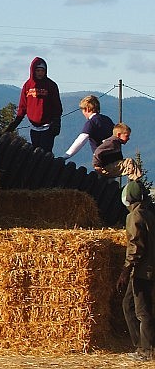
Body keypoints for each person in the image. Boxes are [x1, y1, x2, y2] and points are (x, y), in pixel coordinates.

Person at [116, 180, 155, 361]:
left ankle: (146, 351)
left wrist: (125, 270)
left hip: (142, 271)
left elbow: (135, 247)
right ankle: (141, 345)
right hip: (148, 269)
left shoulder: (135, 216)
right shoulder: (149, 214)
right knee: (129, 305)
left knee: (142, 311)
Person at [3, 57, 63, 153]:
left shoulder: (51, 85)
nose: (40, 73)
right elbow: (22, 107)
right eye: (38, 70)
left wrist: (57, 122)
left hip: (48, 127)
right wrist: (14, 124)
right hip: (34, 128)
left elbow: (57, 106)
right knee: (35, 154)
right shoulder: (27, 85)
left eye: (42, 70)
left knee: (45, 154)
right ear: (33, 71)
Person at [62, 95, 115, 160]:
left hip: (103, 158)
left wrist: (66, 156)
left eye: (82, 110)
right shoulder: (107, 119)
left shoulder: (91, 122)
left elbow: (81, 139)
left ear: (87, 109)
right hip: (115, 155)